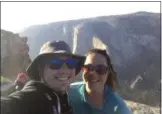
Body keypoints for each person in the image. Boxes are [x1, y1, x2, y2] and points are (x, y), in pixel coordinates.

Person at [1, 40, 85, 114]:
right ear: (40, 69)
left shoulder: (61, 97)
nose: (64, 70)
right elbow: (11, 104)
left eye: (71, 63)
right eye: (55, 63)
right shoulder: (34, 97)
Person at [68, 49, 132, 114]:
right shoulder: (69, 92)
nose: (92, 73)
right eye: (88, 68)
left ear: (108, 73)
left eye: (100, 69)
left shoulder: (119, 109)